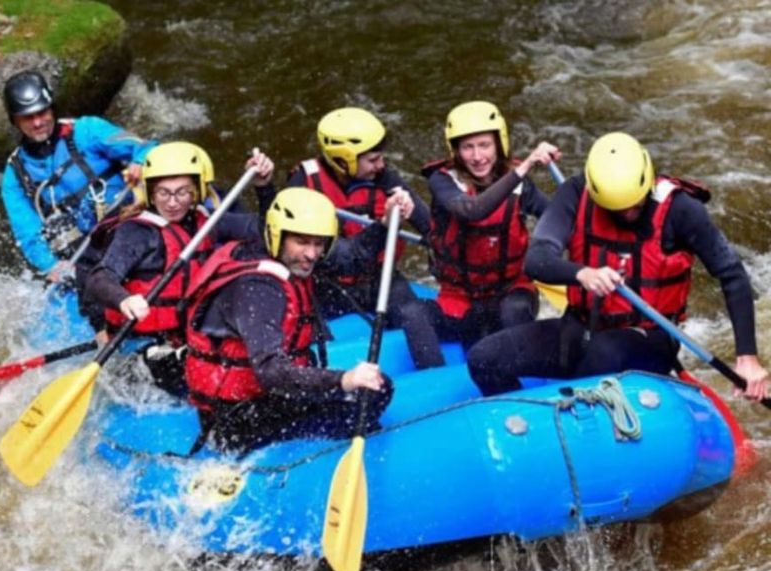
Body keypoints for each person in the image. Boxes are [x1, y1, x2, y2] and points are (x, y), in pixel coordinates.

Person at [467, 132, 769, 401]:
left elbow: (732, 275)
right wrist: (582, 273)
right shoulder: (575, 193)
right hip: (580, 328)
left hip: (647, 339)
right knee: (483, 358)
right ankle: (527, 430)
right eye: (617, 210)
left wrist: (747, 358)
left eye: (635, 205)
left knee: (602, 355)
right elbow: (537, 259)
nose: (627, 214)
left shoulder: (681, 210)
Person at [184, 187, 400, 453]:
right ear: (278, 235)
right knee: (371, 395)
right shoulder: (258, 289)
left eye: (319, 243)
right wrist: (343, 380)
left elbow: (352, 258)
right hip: (239, 421)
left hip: (265, 400)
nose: (311, 253)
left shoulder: (286, 256)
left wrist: (385, 223)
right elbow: (270, 372)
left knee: (378, 387)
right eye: (302, 242)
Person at [84, 141, 274, 394]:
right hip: (145, 347)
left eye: (182, 192)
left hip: (189, 336)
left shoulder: (206, 222)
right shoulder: (138, 232)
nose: (172, 202)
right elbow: (100, 278)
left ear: (196, 191)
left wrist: (264, 187)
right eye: (164, 192)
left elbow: (269, 231)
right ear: (151, 192)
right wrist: (124, 300)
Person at [399, 100, 560, 369]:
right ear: (456, 151)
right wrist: (526, 166)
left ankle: (527, 383)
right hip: (460, 301)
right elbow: (471, 210)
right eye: (467, 147)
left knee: (515, 310)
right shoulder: (442, 181)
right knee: (412, 312)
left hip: (510, 293)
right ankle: (436, 384)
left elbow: (558, 221)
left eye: (484, 145)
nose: (477, 156)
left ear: (499, 144)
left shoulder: (522, 186)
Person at [0, 69, 156, 283]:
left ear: (52, 109)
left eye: (42, 112)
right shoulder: (14, 174)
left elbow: (146, 147)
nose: (37, 122)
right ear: (14, 121)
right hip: (80, 257)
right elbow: (28, 234)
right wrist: (51, 265)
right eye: (28, 117)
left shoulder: (89, 129)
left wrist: (140, 161)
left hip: (127, 229)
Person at [287, 106, 431, 329]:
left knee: (417, 319)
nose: (380, 165)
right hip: (324, 285)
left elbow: (432, 227)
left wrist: (411, 210)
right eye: (372, 160)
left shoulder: (386, 179)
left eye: (380, 158)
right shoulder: (303, 182)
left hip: (380, 280)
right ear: (344, 161)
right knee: (304, 331)